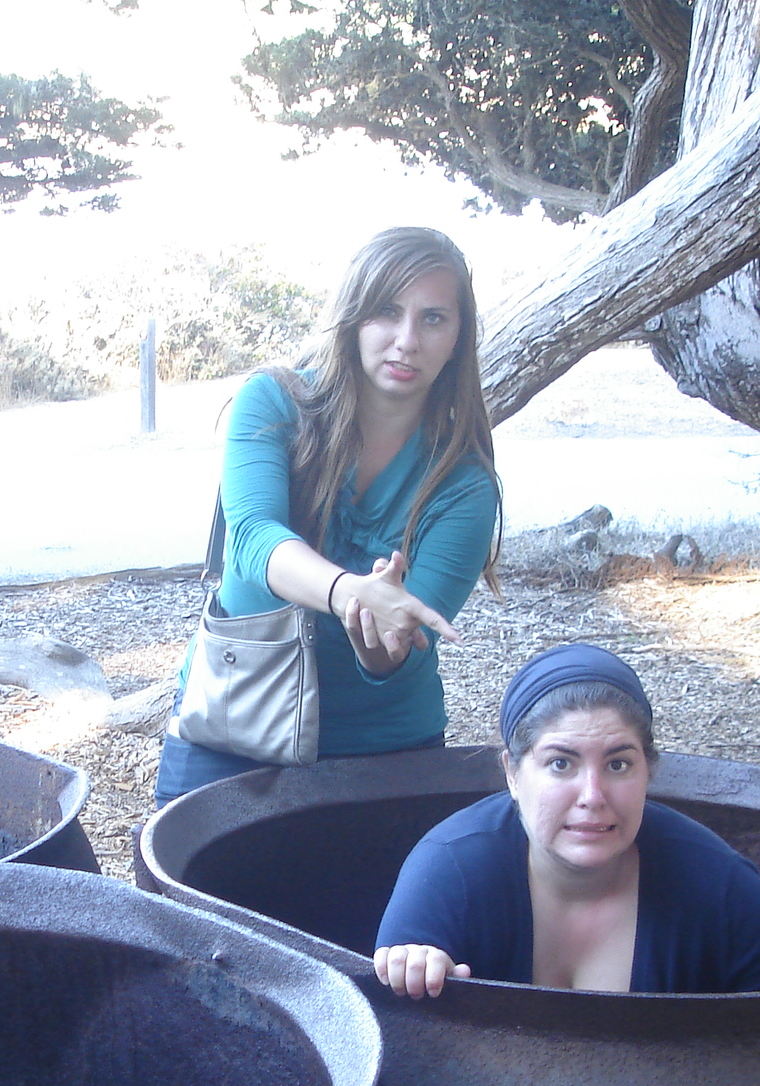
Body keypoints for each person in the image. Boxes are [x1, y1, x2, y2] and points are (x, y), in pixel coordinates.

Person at [374, 644, 760, 1000]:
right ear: (512, 773)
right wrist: (407, 972)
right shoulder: (452, 867)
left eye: (618, 763)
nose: (593, 795)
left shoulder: (711, 880)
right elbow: (385, 1058)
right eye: (560, 763)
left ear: (650, 770)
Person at [154, 226, 502, 805]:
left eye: (433, 319)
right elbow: (254, 540)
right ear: (353, 317)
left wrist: (381, 644)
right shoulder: (272, 402)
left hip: (385, 746)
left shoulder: (464, 483)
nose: (407, 341)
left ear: (458, 338)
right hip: (233, 716)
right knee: (181, 865)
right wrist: (351, 594)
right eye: (387, 311)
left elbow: (403, 644)